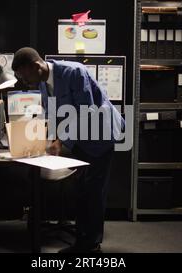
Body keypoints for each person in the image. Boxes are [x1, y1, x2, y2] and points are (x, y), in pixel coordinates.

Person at [11, 47, 125, 253]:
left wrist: (61, 141)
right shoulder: (44, 84)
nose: (23, 81)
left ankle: (91, 246)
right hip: (80, 139)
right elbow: (53, 115)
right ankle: (82, 242)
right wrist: (44, 138)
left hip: (100, 135)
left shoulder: (74, 72)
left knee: (94, 191)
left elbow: (86, 111)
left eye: (24, 75)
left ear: (36, 66)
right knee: (81, 190)